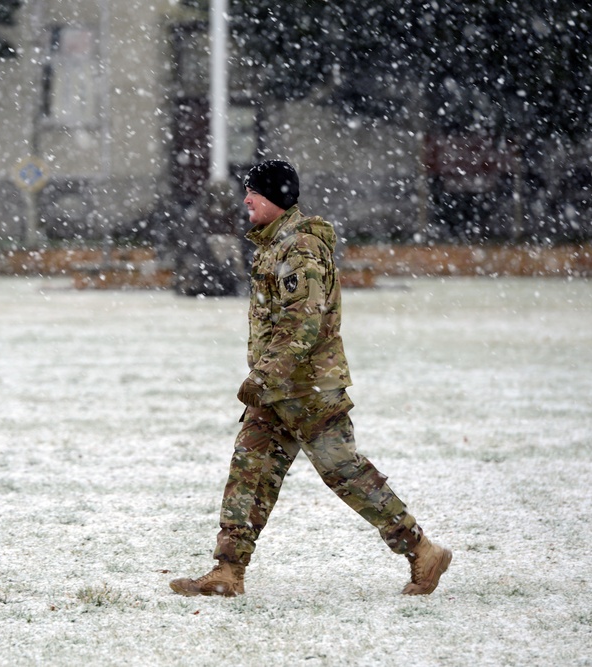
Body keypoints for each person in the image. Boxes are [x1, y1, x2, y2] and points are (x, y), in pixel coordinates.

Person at [169, 160, 451, 597]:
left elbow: (303, 323)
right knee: (249, 471)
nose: (245, 199)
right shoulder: (273, 244)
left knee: (345, 473)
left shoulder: (299, 247)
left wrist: (264, 376)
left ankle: (422, 551)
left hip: (308, 389)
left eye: (253, 193)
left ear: (276, 199)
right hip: (277, 388)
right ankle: (227, 571)